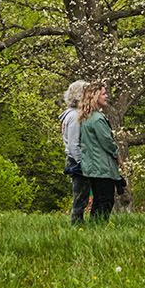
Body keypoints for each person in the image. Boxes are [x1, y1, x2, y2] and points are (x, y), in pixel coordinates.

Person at [76, 83, 123, 224]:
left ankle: (94, 228)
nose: (107, 96)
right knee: (106, 200)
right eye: (103, 93)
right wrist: (116, 153)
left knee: (98, 199)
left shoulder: (86, 118)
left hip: (92, 167)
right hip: (101, 167)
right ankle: (99, 227)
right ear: (95, 96)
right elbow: (107, 142)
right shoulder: (97, 119)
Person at [60, 79, 91, 224]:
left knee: (84, 192)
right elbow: (73, 144)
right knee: (80, 192)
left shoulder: (72, 114)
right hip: (76, 160)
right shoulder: (73, 117)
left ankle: (79, 220)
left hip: (76, 158)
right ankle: (77, 221)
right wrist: (81, 162)